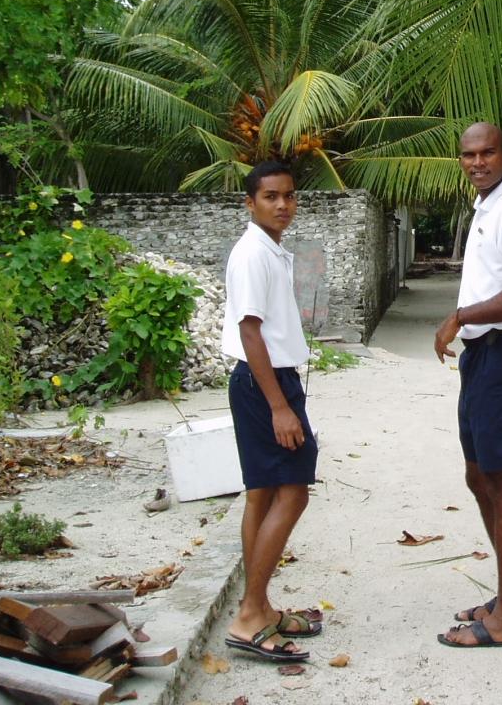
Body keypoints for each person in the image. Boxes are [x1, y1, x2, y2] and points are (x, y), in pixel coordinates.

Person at [434, 122, 502, 649]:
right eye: (468, 154)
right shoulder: (488, 206)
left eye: (487, 153)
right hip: (482, 357)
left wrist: (460, 316)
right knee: (478, 476)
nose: (477, 162)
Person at [220, 160, 322, 663]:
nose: (283, 205)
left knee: (262, 494)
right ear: (250, 202)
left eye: (289, 195)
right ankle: (249, 617)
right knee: (294, 490)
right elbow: (249, 331)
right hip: (265, 385)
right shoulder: (252, 255)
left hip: (264, 382)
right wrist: (280, 407)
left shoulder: (270, 249)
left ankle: (258, 606)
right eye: (270, 197)